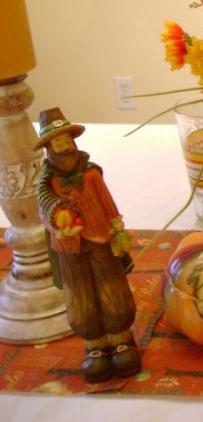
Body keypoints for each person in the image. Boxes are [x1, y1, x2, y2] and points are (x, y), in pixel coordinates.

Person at [35, 107, 141, 383]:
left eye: (66, 140)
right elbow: (44, 212)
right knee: (80, 291)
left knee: (110, 284)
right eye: (57, 142)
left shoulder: (92, 173)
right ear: (49, 147)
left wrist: (116, 222)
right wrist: (59, 221)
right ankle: (93, 344)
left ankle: (120, 337)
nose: (64, 146)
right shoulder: (47, 184)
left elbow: (106, 201)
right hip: (68, 246)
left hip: (100, 236)